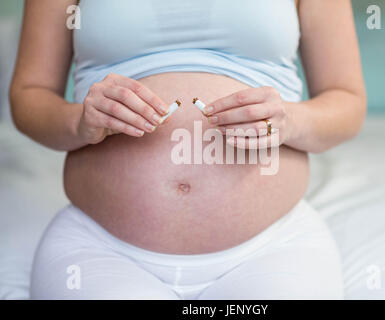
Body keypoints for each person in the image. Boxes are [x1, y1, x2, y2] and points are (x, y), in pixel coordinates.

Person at [9, 0, 366, 299]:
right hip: (100, 249)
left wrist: (290, 120)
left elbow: (347, 101)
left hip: (274, 247)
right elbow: (30, 95)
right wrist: (79, 122)